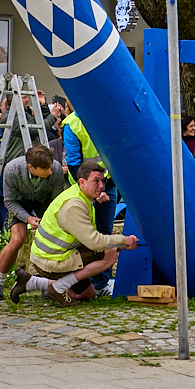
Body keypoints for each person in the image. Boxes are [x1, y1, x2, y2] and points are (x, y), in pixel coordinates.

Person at [10, 161, 138, 306]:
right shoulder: (74, 205)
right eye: (96, 181)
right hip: (51, 259)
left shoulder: (81, 196)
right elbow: (94, 242)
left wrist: (121, 244)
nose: (101, 186)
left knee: (88, 294)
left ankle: (33, 282)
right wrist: (123, 240)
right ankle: (58, 288)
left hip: (57, 254)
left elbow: (89, 240)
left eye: (102, 181)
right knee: (110, 255)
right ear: (82, 182)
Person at [0, 145, 67, 301]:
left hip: (45, 202)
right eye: (46, 169)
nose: (50, 172)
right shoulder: (11, 169)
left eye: (51, 167)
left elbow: (57, 200)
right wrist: (28, 218)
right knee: (17, 239)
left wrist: (49, 221)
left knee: (55, 238)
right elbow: (9, 201)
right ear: (31, 167)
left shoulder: (56, 169)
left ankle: (50, 285)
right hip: (19, 203)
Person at [60, 109, 117, 293]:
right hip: (83, 187)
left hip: (107, 183)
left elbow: (116, 153)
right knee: (84, 233)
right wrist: (94, 190)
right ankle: (86, 283)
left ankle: (102, 284)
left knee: (105, 232)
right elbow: (74, 164)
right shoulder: (72, 124)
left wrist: (104, 185)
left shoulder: (106, 116)